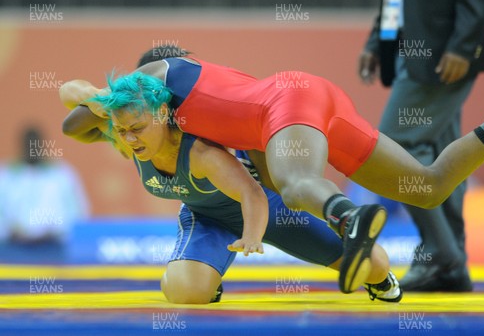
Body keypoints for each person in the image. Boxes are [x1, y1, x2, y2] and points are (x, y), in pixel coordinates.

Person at [59, 49, 484, 294]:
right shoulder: (186, 121)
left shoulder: (158, 79)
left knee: (292, 182)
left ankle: (352, 218)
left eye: (134, 119)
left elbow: (75, 114)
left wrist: (102, 95)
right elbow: (73, 126)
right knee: (427, 187)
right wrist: (106, 110)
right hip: (308, 105)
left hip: (287, 104)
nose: (129, 132)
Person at [60, 46, 402, 304]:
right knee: (184, 292)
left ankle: (378, 277)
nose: (130, 137)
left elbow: (253, 194)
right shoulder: (128, 128)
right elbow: (69, 105)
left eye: (137, 124)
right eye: (125, 128)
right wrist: (104, 97)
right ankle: (204, 274)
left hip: (270, 210)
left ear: (164, 108)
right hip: (209, 217)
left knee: (373, 265)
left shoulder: (203, 139)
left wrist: (253, 235)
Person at [358, 0, 484, 291]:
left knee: (394, 146)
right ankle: (451, 265)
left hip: (443, 49)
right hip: (414, 48)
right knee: (445, 156)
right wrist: (377, 41)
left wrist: (463, 46)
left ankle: (441, 254)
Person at [0, 126, 89, 261]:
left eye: (35, 143)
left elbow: (79, 212)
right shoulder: (6, 175)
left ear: (43, 144)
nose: (31, 148)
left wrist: (54, 230)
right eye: (27, 144)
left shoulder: (62, 174)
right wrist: (10, 231)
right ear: (21, 145)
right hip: (12, 249)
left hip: (54, 249)